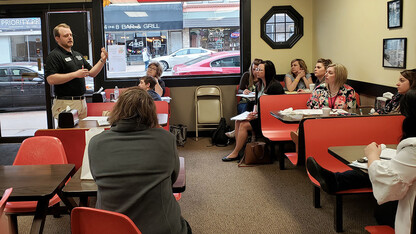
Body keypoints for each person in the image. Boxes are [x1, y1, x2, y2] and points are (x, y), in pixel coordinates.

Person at [307, 89, 416, 233]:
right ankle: (336, 180)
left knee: (376, 170)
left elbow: (389, 181)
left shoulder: (413, 147)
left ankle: (336, 181)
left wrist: (373, 156)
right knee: (376, 168)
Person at [88, 87, 191, 234]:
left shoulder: (96, 143)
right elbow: (172, 179)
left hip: (111, 228)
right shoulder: (165, 139)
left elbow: (96, 179)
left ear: (117, 110)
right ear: (150, 112)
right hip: (161, 229)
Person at [222, 60, 284, 161]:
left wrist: (256, 116)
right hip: (260, 117)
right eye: (257, 69)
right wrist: (253, 113)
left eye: (260, 70)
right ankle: (239, 150)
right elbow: (256, 104)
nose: (256, 71)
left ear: (267, 72)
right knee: (238, 121)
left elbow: (274, 108)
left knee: (243, 125)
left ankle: (236, 153)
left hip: (271, 119)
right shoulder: (259, 86)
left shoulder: (275, 86)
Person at [45, 23, 108, 119]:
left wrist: (102, 60)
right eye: (66, 36)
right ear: (57, 38)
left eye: (70, 35)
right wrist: (75, 74)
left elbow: (92, 73)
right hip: (66, 102)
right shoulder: (54, 55)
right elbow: (51, 79)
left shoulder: (77, 55)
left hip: (82, 101)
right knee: (68, 132)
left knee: (81, 132)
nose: (70, 38)